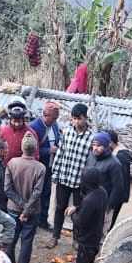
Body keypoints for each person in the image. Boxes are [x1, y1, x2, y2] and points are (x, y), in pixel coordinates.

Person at [49, 102, 94, 248]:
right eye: (73, 118)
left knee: (78, 212)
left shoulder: (91, 138)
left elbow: (90, 162)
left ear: (85, 118)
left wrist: (87, 182)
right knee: (60, 207)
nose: (75, 121)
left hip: (79, 182)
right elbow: (60, 153)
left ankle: (76, 239)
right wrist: (55, 173)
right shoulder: (66, 132)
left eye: (78, 118)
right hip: (64, 177)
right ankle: (55, 236)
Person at [5, 134, 47, 263]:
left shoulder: (12, 163)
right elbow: (37, 192)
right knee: (26, 242)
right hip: (32, 212)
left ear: (22, 148)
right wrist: (27, 209)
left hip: (12, 209)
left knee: (11, 241)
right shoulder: (40, 168)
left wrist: (21, 206)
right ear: (35, 149)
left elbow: (8, 189)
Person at [28, 100, 62, 231]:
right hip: (37, 167)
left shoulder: (54, 125)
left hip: (50, 166)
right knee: (35, 194)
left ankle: (43, 220)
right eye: (53, 118)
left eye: (56, 118)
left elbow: (57, 139)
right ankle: (32, 220)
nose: (55, 120)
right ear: (45, 115)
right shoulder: (34, 127)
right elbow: (30, 150)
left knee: (47, 193)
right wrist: (48, 150)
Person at [72, 165, 108, 263]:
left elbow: (80, 222)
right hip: (95, 237)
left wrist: (72, 214)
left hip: (86, 241)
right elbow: (90, 210)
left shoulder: (89, 200)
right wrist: (77, 208)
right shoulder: (102, 192)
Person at [88, 132, 122, 212]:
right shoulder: (91, 156)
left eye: (99, 145)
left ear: (106, 146)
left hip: (101, 204)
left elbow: (117, 188)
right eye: (94, 145)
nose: (95, 148)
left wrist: (108, 206)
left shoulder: (114, 164)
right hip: (87, 200)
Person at [108, 129, 132, 228]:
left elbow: (119, 182)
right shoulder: (117, 153)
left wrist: (111, 201)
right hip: (114, 194)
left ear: (110, 142)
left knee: (108, 222)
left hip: (115, 196)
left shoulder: (121, 157)